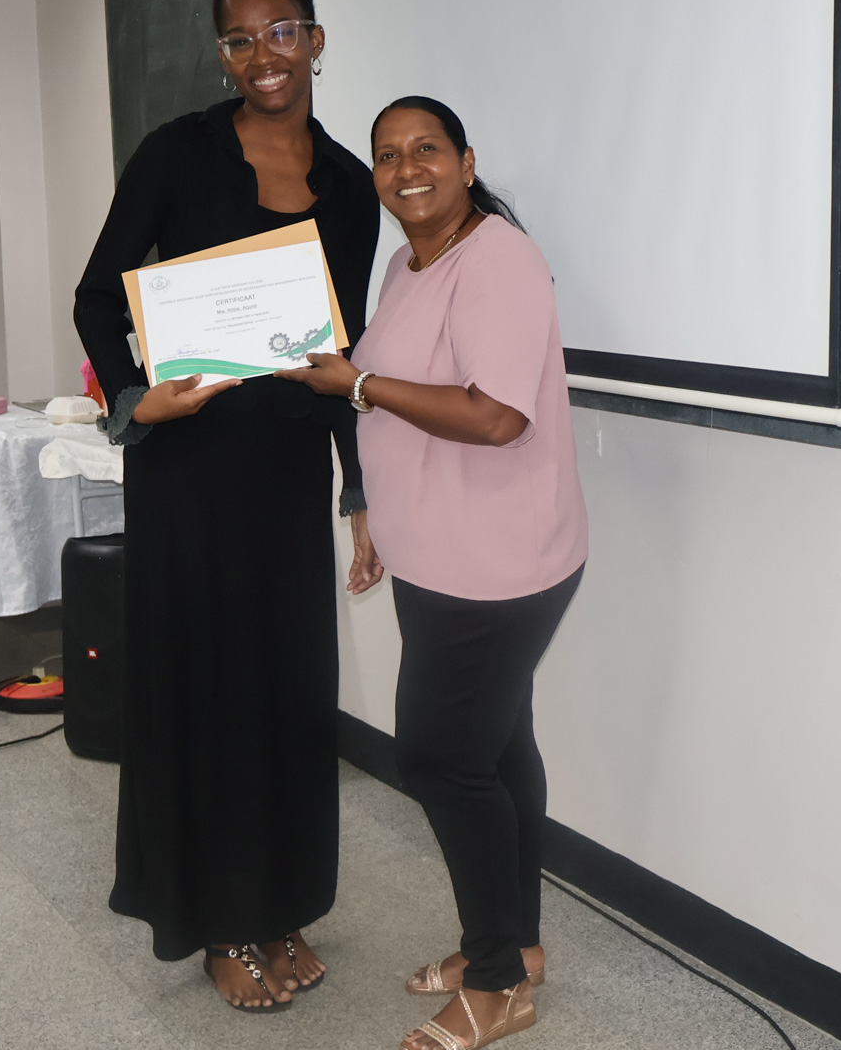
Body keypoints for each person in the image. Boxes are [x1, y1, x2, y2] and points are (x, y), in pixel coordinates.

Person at [70, 0, 382, 1012]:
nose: (263, 56)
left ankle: (280, 903)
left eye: (281, 32)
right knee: (206, 692)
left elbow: (342, 351)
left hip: (285, 472)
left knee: (286, 689)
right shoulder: (177, 153)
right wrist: (135, 400)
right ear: (222, 55)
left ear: (314, 41)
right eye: (239, 40)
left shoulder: (351, 186)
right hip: (188, 473)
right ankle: (214, 921)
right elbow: (95, 297)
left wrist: (355, 489)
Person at [278, 96, 587, 1050]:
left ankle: (497, 986)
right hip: (435, 553)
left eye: (427, 149)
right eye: (387, 155)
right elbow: (397, 401)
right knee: (496, 748)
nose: (406, 168)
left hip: (497, 564)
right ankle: (516, 945)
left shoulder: (500, 259)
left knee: (439, 758)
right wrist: (373, 508)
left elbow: (496, 415)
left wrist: (358, 384)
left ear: (466, 161)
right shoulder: (404, 264)